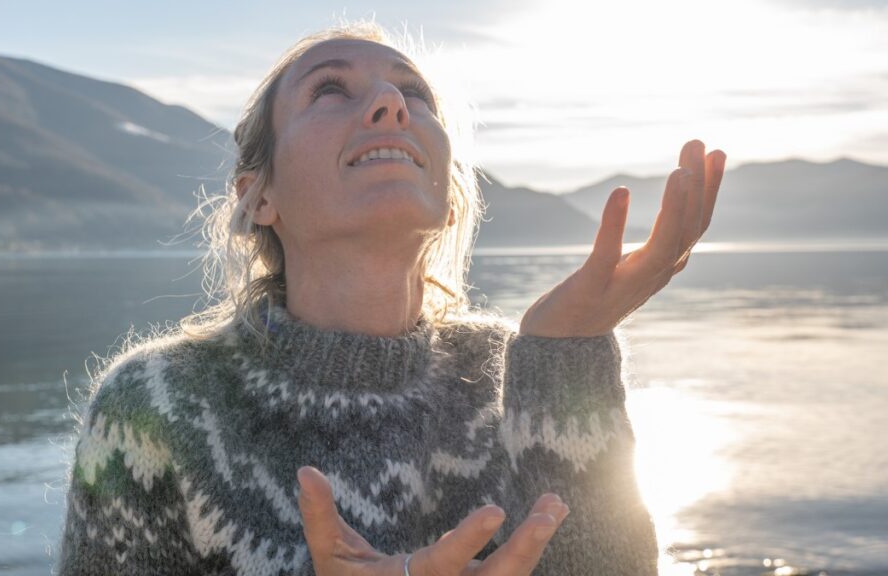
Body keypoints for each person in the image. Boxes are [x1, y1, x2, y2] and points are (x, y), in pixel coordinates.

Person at [55, 20, 726, 576]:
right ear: (260, 195)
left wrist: (565, 351)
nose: (391, 105)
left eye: (416, 95)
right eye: (329, 90)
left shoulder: (517, 373)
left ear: (448, 186)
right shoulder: (155, 406)